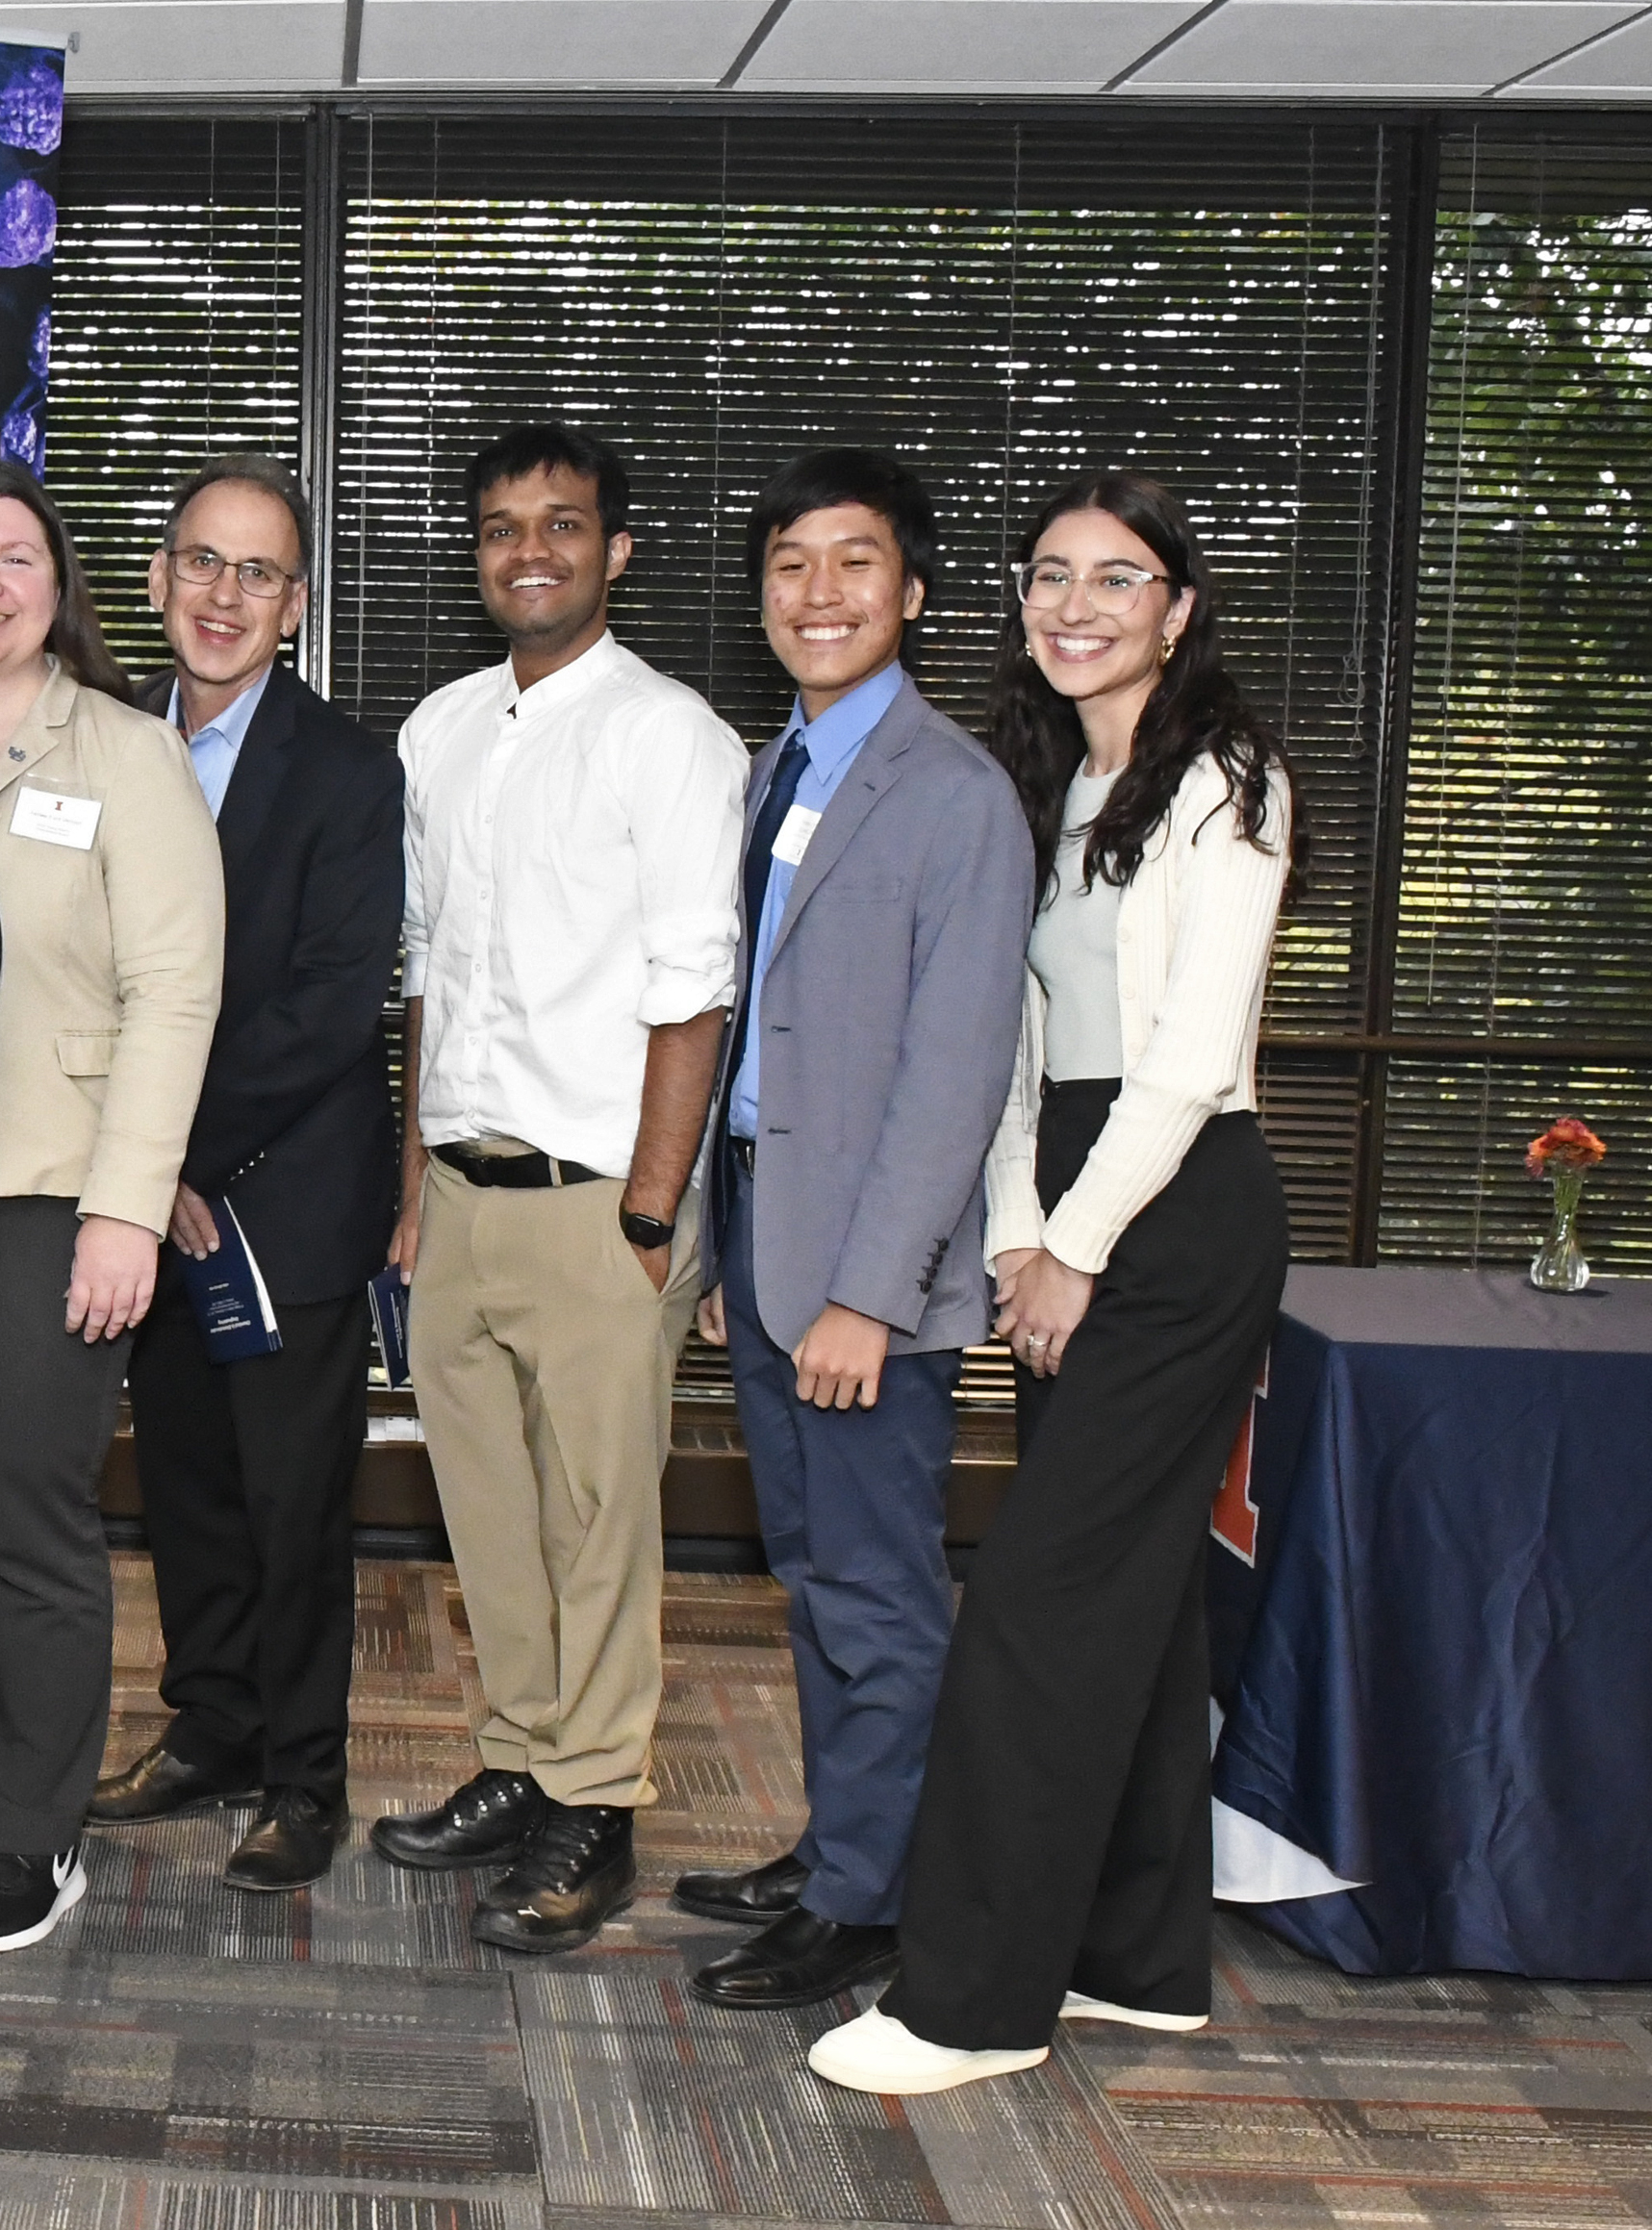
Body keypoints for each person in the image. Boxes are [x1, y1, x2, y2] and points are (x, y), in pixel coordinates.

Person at [814, 473, 1298, 2095]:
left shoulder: (1227, 781)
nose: (1072, 603)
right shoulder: (1045, 781)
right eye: (1046, 575)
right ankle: (1136, 1958)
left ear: (1176, 605)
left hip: (1178, 1209)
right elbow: (1015, 1056)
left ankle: (971, 2001)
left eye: (1115, 577)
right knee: (1138, 1604)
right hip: (1073, 1200)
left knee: (1030, 1607)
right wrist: (1019, 1230)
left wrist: (1075, 1249)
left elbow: (1179, 1065)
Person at [372, 423, 745, 1958]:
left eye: (563, 525)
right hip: (456, 1195)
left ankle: (595, 1798)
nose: (530, 549)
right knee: (488, 1511)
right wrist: (408, 1192)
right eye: (502, 527)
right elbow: (424, 984)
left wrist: (654, 1210)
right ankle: (521, 1754)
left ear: (615, 550)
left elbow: (692, 993)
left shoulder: (672, 737)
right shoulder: (437, 731)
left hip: (606, 1197)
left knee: (599, 1518)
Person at [675, 451, 1034, 2013]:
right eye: (790, 566)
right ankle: (841, 1843)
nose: (817, 594)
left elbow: (952, 1078)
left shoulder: (953, 793)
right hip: (770, 1231)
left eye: (853, 564)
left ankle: (875, 1900)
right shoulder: (782, 764)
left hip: (861, 1280)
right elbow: (762, 1024)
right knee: (812, 1575)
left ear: (916, 594)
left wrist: (865, 1297)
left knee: (876, 1589)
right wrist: (725, 1248)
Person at [0, 460, 226, 1956]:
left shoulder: (129, 754)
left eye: (12, 555)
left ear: (58, 583)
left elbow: (174, 994)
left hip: (47, 1189)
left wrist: (124, 1209)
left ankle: (31, 1833)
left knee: (19, 1509)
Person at [87, 456, 402, 1894]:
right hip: (139, 1204)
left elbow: (333, 1003)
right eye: (201, 563)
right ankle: (208, 1724)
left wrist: (172, 1152)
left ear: (294, 606)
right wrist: (135, 1169)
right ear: (157, 580)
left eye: (258, 573)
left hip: (275, 1194)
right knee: (189, 1488)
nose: (223, 596)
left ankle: (302, 1774)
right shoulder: (92, 750)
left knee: (290, 1502)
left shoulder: (345, 771)